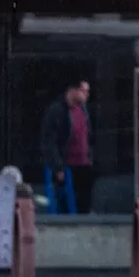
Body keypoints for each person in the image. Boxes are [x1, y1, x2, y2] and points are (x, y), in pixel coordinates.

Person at [40, 78, 93, 213]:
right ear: (72, 90)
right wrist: (58, 166)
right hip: (67, 165)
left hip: (84, 165)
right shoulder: (57, 110)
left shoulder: (83, 110)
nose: (86, 94)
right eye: (83, 91)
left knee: (83, 203)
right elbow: (49, 140)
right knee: (65, 202)